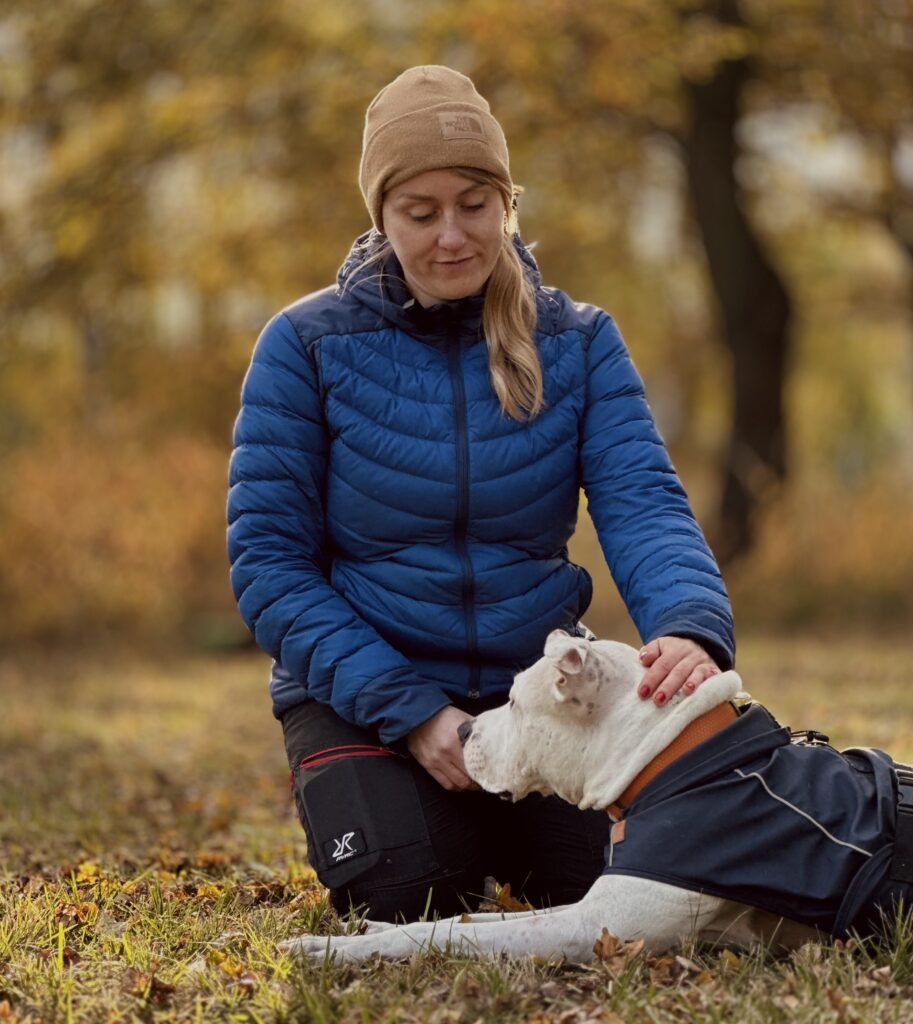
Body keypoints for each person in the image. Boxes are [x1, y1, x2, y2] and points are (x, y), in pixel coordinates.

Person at [227, 66, 734, 922]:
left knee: (631, 886)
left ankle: (513, 832)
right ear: (382, 219)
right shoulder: (304, 346)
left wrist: (689, 627)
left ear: (507, 202)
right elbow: (269, 565)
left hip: (534, 698)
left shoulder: (578, 342)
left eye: (474, 205)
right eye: (420, 214)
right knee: (412, 898)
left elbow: (643, 504)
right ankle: (430, 824)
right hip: (368, 702)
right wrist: (416, 713)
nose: (453, 236)